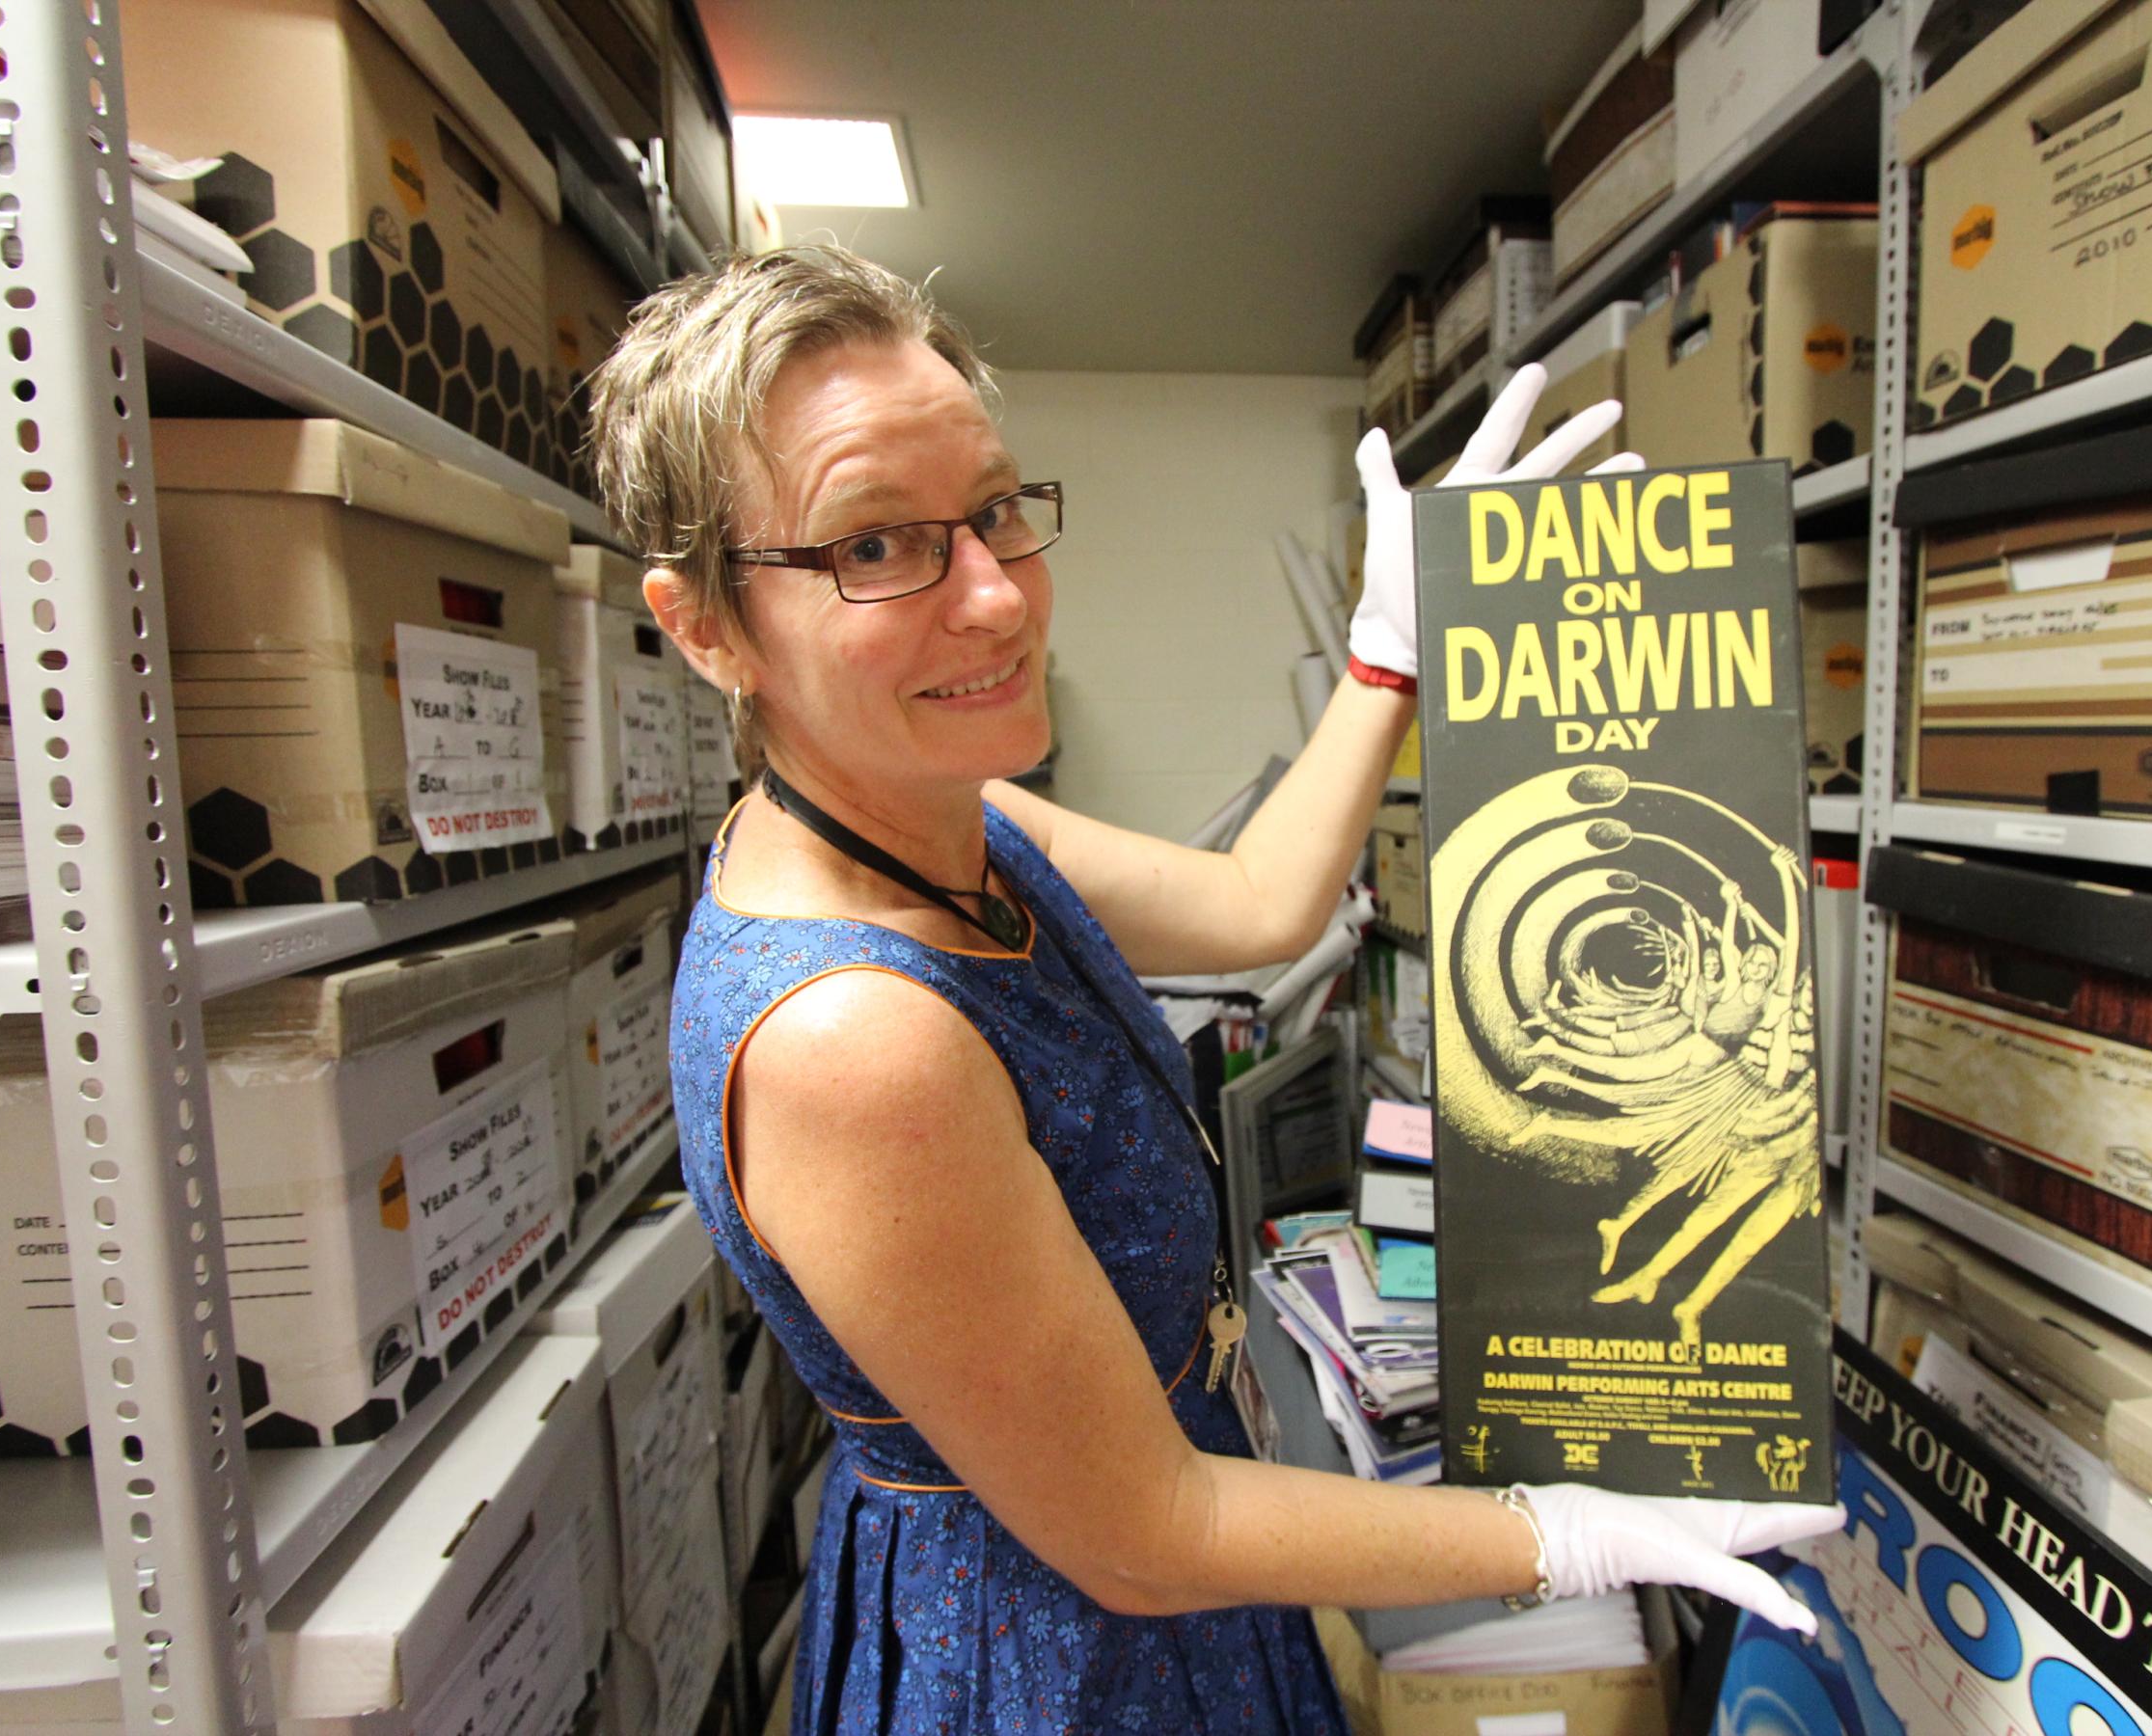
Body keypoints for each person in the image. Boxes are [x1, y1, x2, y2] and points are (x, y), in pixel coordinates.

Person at [589, 244, 1839, 1733]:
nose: (992, 598)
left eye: (994, 511)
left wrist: (1386, 662)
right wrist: (1552, 1537)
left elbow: (1258, 907)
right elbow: (1149, 1527)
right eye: (872, 546)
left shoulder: (955, 819)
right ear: (706, 624)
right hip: (1057, 1653)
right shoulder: (857, 1043)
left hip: (1160, 1573)